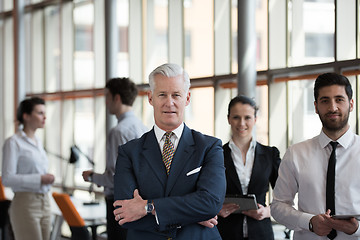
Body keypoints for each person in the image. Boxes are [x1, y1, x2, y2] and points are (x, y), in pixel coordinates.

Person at [112, 63, 226, 240]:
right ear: (151, 98)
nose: (169, 102)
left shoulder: (209, 147)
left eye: (176, 95)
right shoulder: (129, 152)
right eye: (162, 95)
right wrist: (194, 215)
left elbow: (211, 204)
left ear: (187, 98)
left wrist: (147, 207)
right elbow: (124, 215)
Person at [271, 72, 360, 239]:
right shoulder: (296, 153)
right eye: (325, 101)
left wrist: (356, 228)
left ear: (351, 104)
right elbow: (278, 206)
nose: (333, 107)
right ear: (316, 106)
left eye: (339, 99)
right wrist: (309, 222)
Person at [82, 77, 147, 240]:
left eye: (107, 97)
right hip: (139, 202)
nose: (106, 102)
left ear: (117, 98)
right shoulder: (142, 127)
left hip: (120, 203)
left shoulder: (119, 131)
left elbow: (115, 177)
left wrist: (91, 176)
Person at [217, 95, 281, 240]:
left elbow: (285, 195)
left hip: (261, 232)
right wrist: (217, 209)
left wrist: (268, 211)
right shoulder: (216, 154)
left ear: (255, 120)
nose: (242, 123)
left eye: (247, 117)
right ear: (228, 119)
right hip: (226, 233)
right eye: (236, 117)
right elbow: (207, 193)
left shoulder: (270, 154)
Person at [1, 97, 55, 240]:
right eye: (40, 113)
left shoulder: (38, 142)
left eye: (44, 113)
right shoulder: (13, 143)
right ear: (26, 116)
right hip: (26, 204)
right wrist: (40, 179)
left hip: (45, 202)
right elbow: (7, 179)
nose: (44, 117)